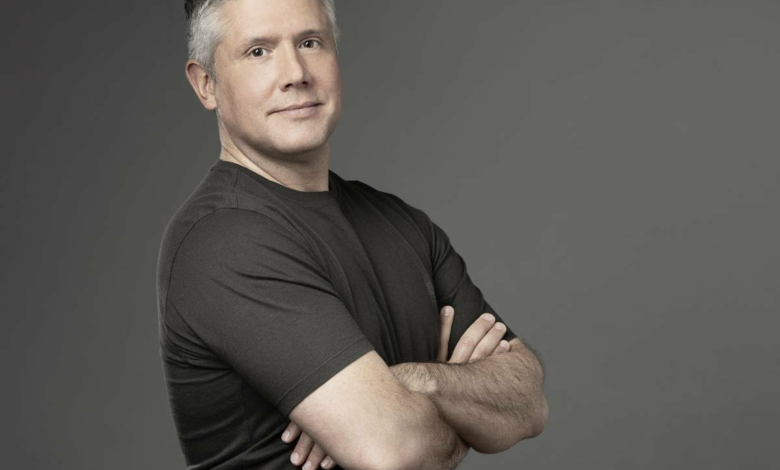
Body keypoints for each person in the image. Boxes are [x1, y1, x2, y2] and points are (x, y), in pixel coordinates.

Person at [157, 0, 548, 468]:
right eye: (258, 51)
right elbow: (396, 451)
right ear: (206, 84)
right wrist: (462, 414)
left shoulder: (402, 223)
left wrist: (417, 381)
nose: (295, 72)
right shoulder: (222, 241)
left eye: (310, 42)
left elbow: (529, 402)